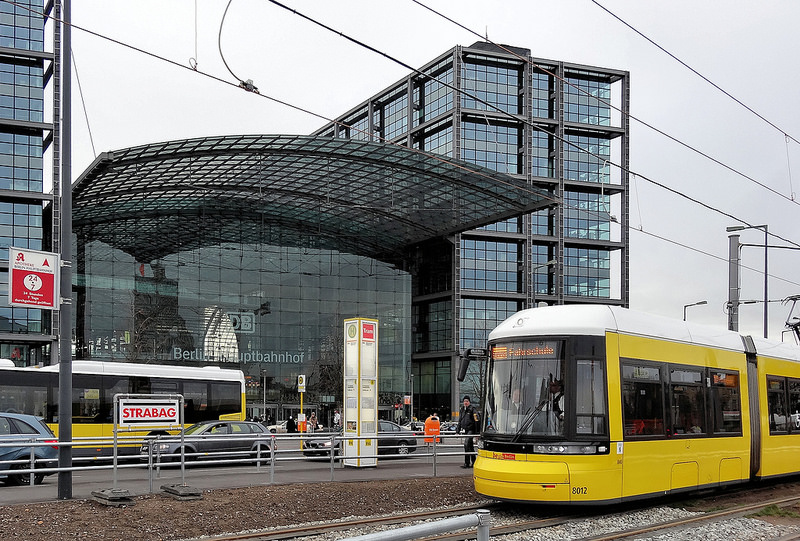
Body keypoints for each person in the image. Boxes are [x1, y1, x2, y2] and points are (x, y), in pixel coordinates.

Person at [458, 395, 480, 468]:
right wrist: (457, 430)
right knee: (470, 446)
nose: (465, 402)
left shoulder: (472, 409)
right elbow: (460, 420)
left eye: (467, 401)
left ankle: (467, 463)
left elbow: (477, 420)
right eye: (464, 401)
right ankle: (474, 462)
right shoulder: (462, 409)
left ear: (469, 402)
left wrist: (477, 432)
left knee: (466, 445)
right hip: (466, 429)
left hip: (471, 429)